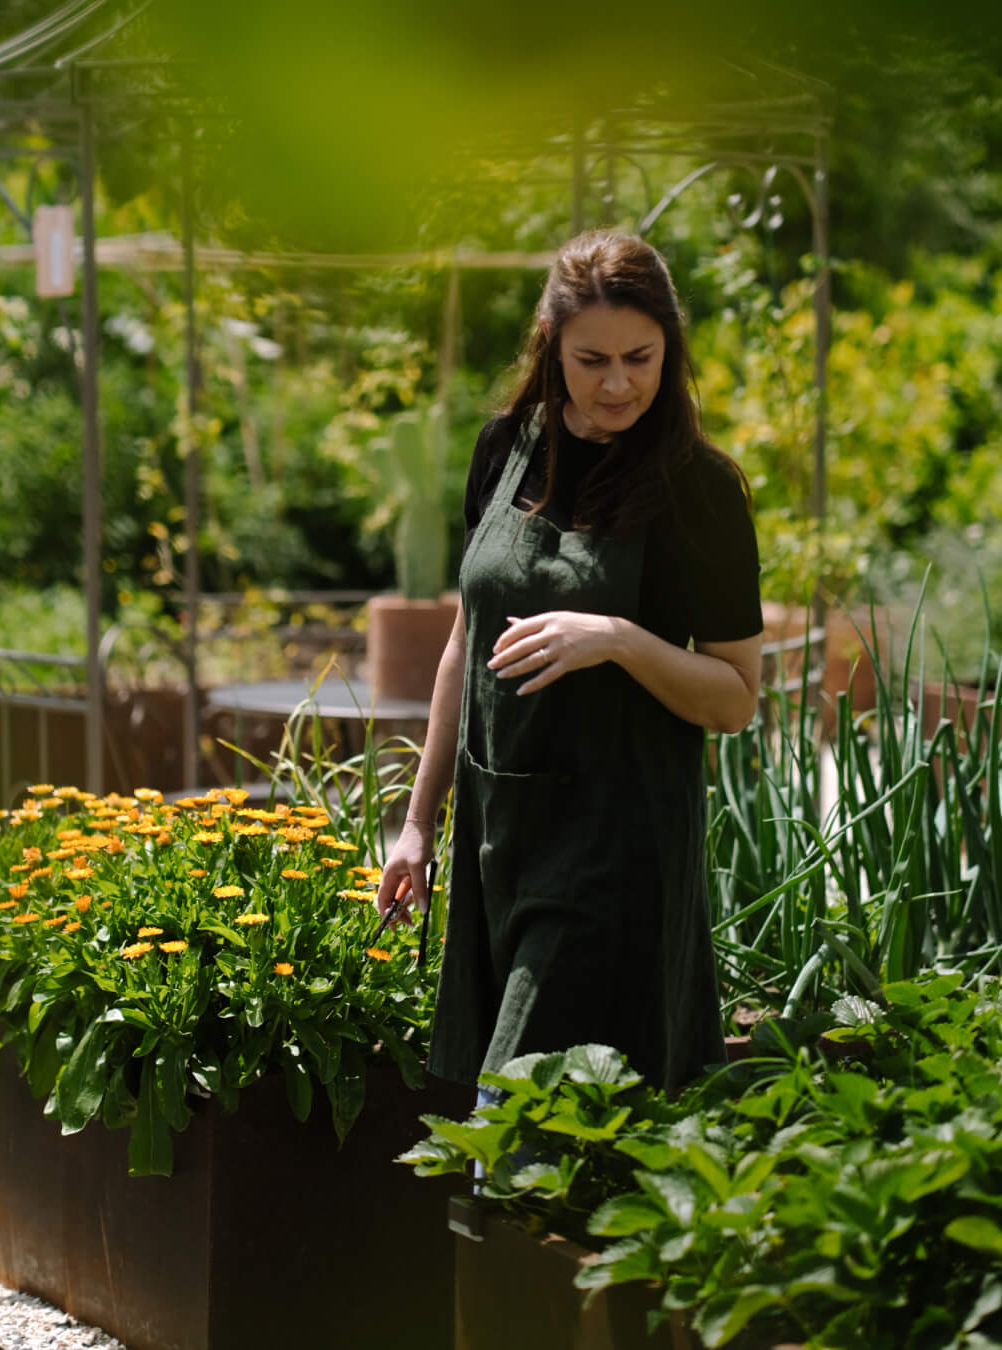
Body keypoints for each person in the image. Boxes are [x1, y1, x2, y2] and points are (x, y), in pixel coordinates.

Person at [374, 229, 764, 1095]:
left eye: (641, 357)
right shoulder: (506, 448)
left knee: (513, 1106)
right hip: (500, 835)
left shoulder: (699, 491)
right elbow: (461, 645)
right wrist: (416, 823)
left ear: (672, 347)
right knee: (538, 1127)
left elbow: (736, 697)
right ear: (552, 346)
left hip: (616, 849)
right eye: (593, 359)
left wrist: (618, 640)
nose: (619, 382)